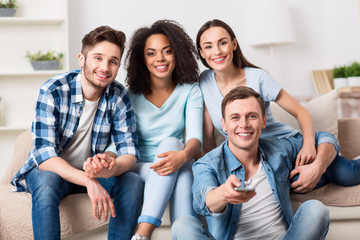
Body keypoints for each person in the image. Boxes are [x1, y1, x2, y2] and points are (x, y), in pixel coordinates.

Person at [196, 19, 360, 193]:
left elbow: (301, 112)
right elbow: (208, 137)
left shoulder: (258, 78)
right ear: (201, 53)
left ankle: (327, 154)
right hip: (254, 159)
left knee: (347, 175)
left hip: (289, 147)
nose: (217, 51)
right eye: (208, 46)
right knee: (294, 183)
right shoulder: (204, 82)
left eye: (223, 43)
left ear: (234, 44)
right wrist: (213, 172)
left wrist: (309, 145)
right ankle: (327, 158)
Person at [10, 26, 143, 240]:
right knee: (46, 182)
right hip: (54, 172)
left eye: (113, 61)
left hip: (92, 171)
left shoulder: (119, 96)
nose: (105, 67)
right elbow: (44, 156)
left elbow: (129, 152)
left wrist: (109, 170)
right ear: (82, 59)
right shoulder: (52, 90)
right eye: (98, 58)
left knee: (132, 181)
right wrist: (89, 181)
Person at [172, 86, 330, 240]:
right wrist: (224, 193)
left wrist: (318, 166)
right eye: (235, 117)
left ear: (263, 121)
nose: (244, 124)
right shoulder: (207, 164)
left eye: (252, 116)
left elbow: (324, 138)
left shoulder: (279, 149)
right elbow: (204, 201)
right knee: (182, 225)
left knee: (316, 209)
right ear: (224, 124)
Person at [111, 19, 202, 240]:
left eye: (167, 51)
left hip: (178, 160)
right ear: (142, 59)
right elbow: (117, 143)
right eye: (151, 53)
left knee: (180, 164)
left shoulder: (191, 91)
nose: (160, 58)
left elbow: (195, 139)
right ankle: (146, 233)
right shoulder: (129, 96)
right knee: (179, 168)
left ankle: (148, 235)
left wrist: (182, 156)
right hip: (139, 167)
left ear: (177, 54)